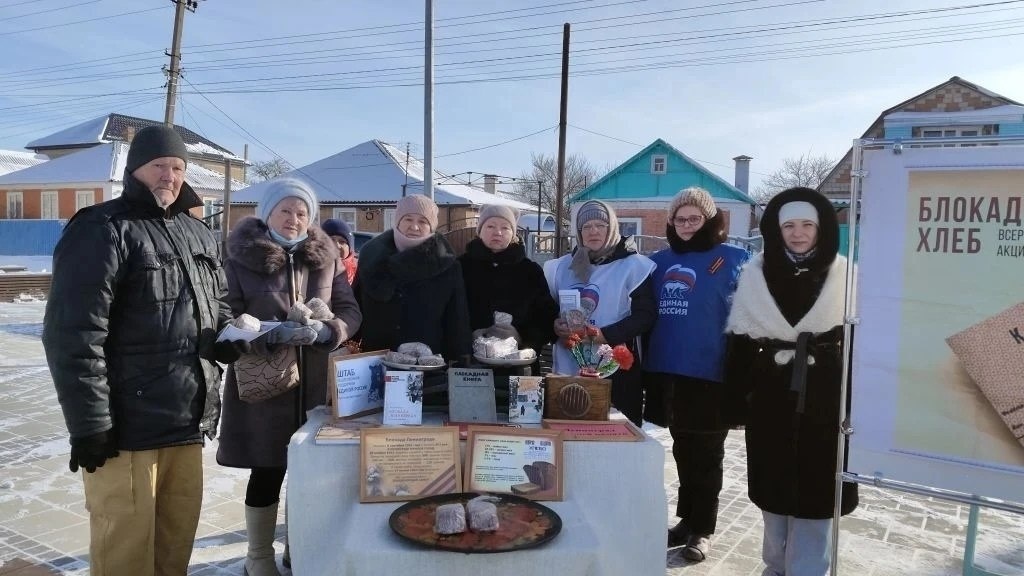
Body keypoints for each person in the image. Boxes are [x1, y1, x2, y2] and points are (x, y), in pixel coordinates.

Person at [41, 125, 248, 576]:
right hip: (126, 430)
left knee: (174, 546)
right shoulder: (102, 229)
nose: (169, 176)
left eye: (178, 167)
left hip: (186, 421)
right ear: (135, 168)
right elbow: (72, 335)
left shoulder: (198, 233)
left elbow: (218, 305)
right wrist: (91, 425)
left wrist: (225, 339)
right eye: (159, 165)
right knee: (126, 555)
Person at [217, 179, 362, 576]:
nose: (294, 219)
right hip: (266, 382)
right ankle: (258, 558)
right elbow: (223, 315)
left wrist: (329, 331)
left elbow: (349, 310)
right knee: (267, 470)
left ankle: (298, 549)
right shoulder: (240, 258)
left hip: (316, 382)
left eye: (302, 212)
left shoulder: (327, 257)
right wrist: (263, 334)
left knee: (308, 473)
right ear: (268, 213)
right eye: (285, 210)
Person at [723, 187, 858, 576]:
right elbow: (740, 344)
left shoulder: (845, 276)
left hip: (828, 400)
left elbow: (861, 346)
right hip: (772, 397)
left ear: (821, 229)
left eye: (806, 225)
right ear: (776, 229)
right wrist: (733, 402)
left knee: (817, 500)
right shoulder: (756, 275)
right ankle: (774, 568)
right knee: (774, 496)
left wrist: (860, 404)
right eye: (789, 226)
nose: (798, 233)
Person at [644, 187, 749, 561]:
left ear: (710, 220)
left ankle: (702, 530)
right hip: (667, 370)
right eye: (680, 219)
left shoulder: (735, 259)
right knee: (683, 449)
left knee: (708, 454)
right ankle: (687, 521)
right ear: (671, 222)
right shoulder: (656, 262)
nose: (687, 225)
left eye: (695, 218)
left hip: (710, 374)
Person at [544, 199, 656, 426]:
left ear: (612, 228)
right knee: (569, 430)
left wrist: (602, 335)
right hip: (569, 366)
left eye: (600, 225)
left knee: (615, 437)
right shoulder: (560, 268)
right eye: (586, 226)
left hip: (616, 368)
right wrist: (555, 324)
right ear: (578, 231)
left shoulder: (634, 266)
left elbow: (645, 316)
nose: (593, 231)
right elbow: (546, 310)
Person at [354, 193, 471, 362]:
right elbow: (356, 308)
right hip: (376, 362)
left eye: (422, 221)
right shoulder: (371, 258)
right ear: (398, 222)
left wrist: (460, 360)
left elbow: (457, 319)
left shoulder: (447, 264)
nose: (414, 227)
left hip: (427, 365)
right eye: (408, 219)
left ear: (431, 227)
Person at [459, 204, 558, 373]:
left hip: (519, 367)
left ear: (513, 234)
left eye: (505, 228)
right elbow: (448, 314)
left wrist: (521, 337)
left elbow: (547, 318)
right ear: (479, 230)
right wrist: (470, 336)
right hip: (470, 367)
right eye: (490, 226)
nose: (498, 232)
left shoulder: (530, 271)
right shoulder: (460, 267)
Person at [321, 218, 358, 284]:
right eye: (332, 240)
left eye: (342, 242)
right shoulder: (312, 273)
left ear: (350, 247)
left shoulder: (359, 274)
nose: (337, 246)